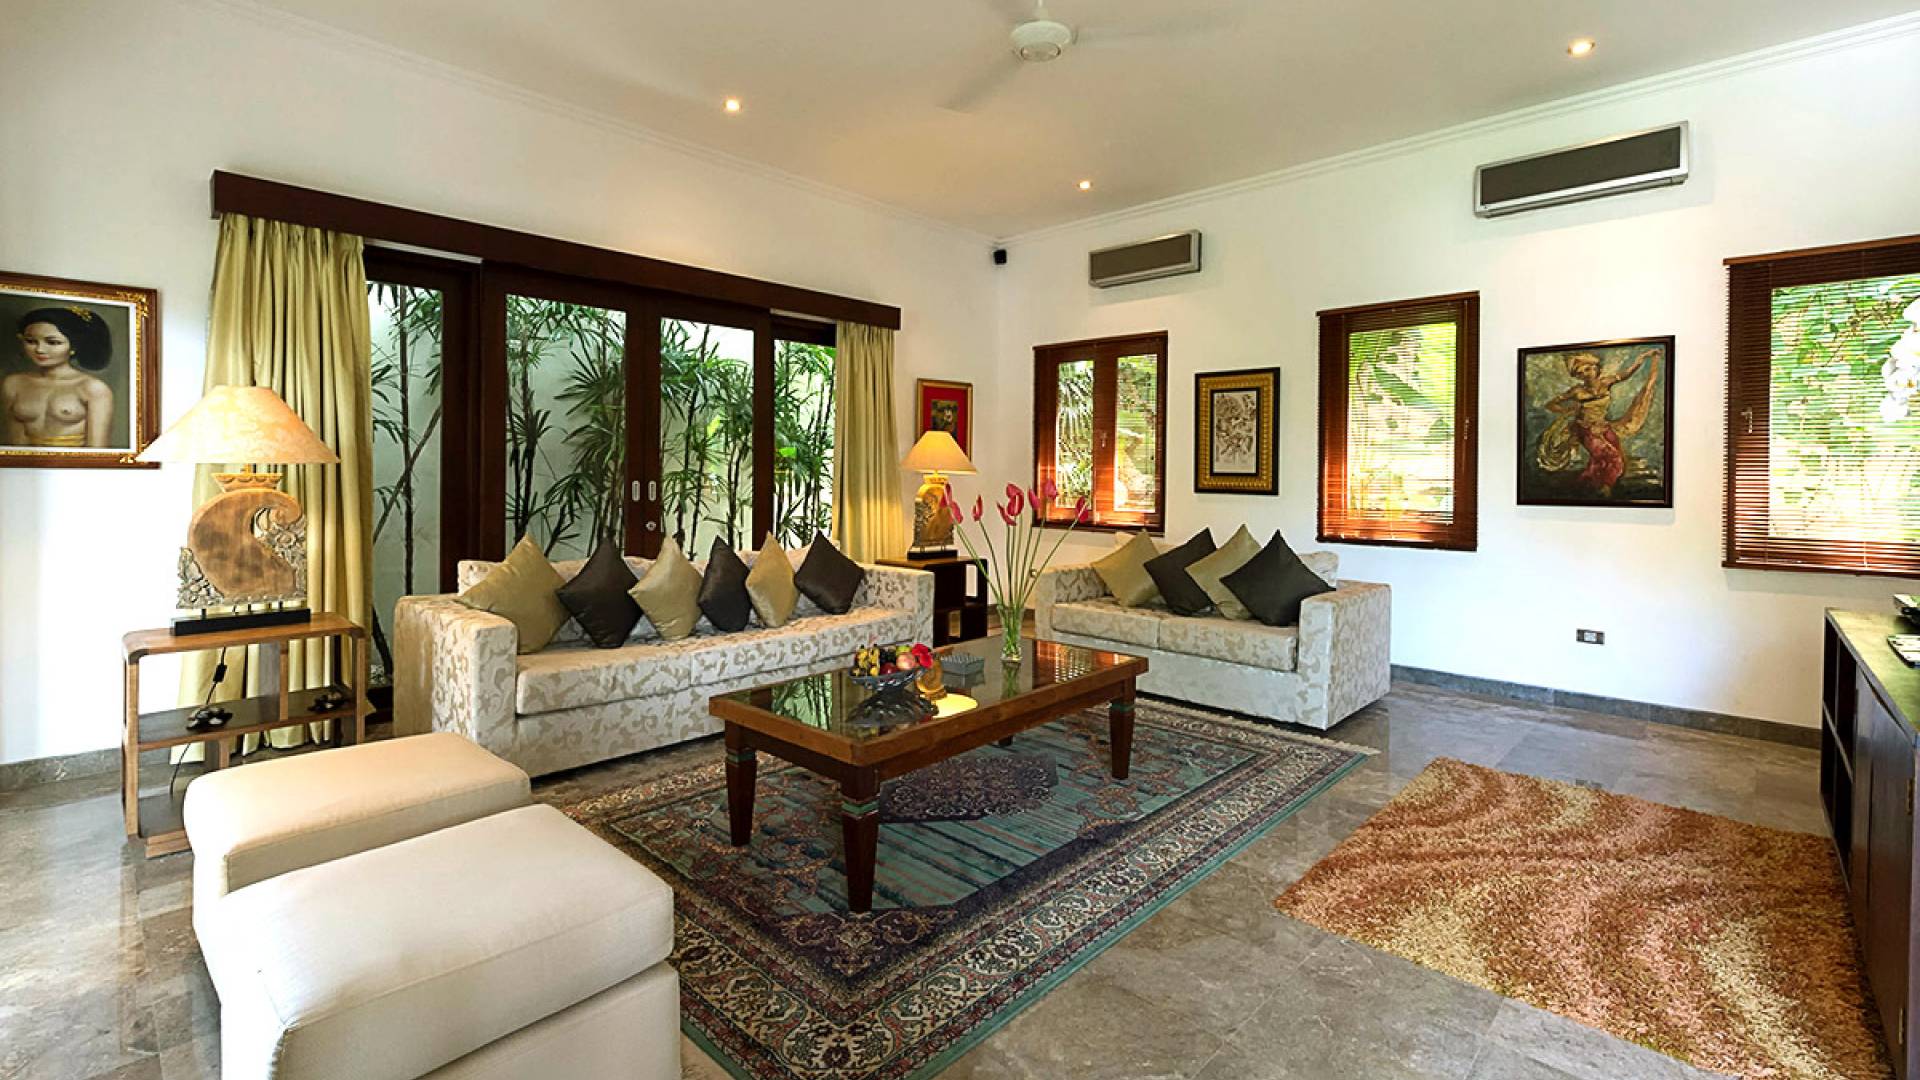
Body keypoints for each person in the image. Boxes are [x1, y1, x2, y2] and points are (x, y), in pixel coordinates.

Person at [1535, 347, 1661, 497]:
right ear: (1578, 376)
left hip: (1603, 427)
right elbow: (1550, 405)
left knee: (1617, 460)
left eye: (1589, 369)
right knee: (1609, 457)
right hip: (1585, 429)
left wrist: (1643, 357)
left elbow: (1628, 373)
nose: (1586, 374)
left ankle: (1593, 486)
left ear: (1596, 369)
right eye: (1581, 372)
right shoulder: (1577, 391)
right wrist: (1568, 410)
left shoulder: (1606, 382)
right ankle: (1603, 488)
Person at [3, 305, 115, 448]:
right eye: (31, 341)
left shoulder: (93, 388)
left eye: (53, 342)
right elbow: (14, 443)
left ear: (73, 347)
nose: (39, 349)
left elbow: (98, 450)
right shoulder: (13, 383)